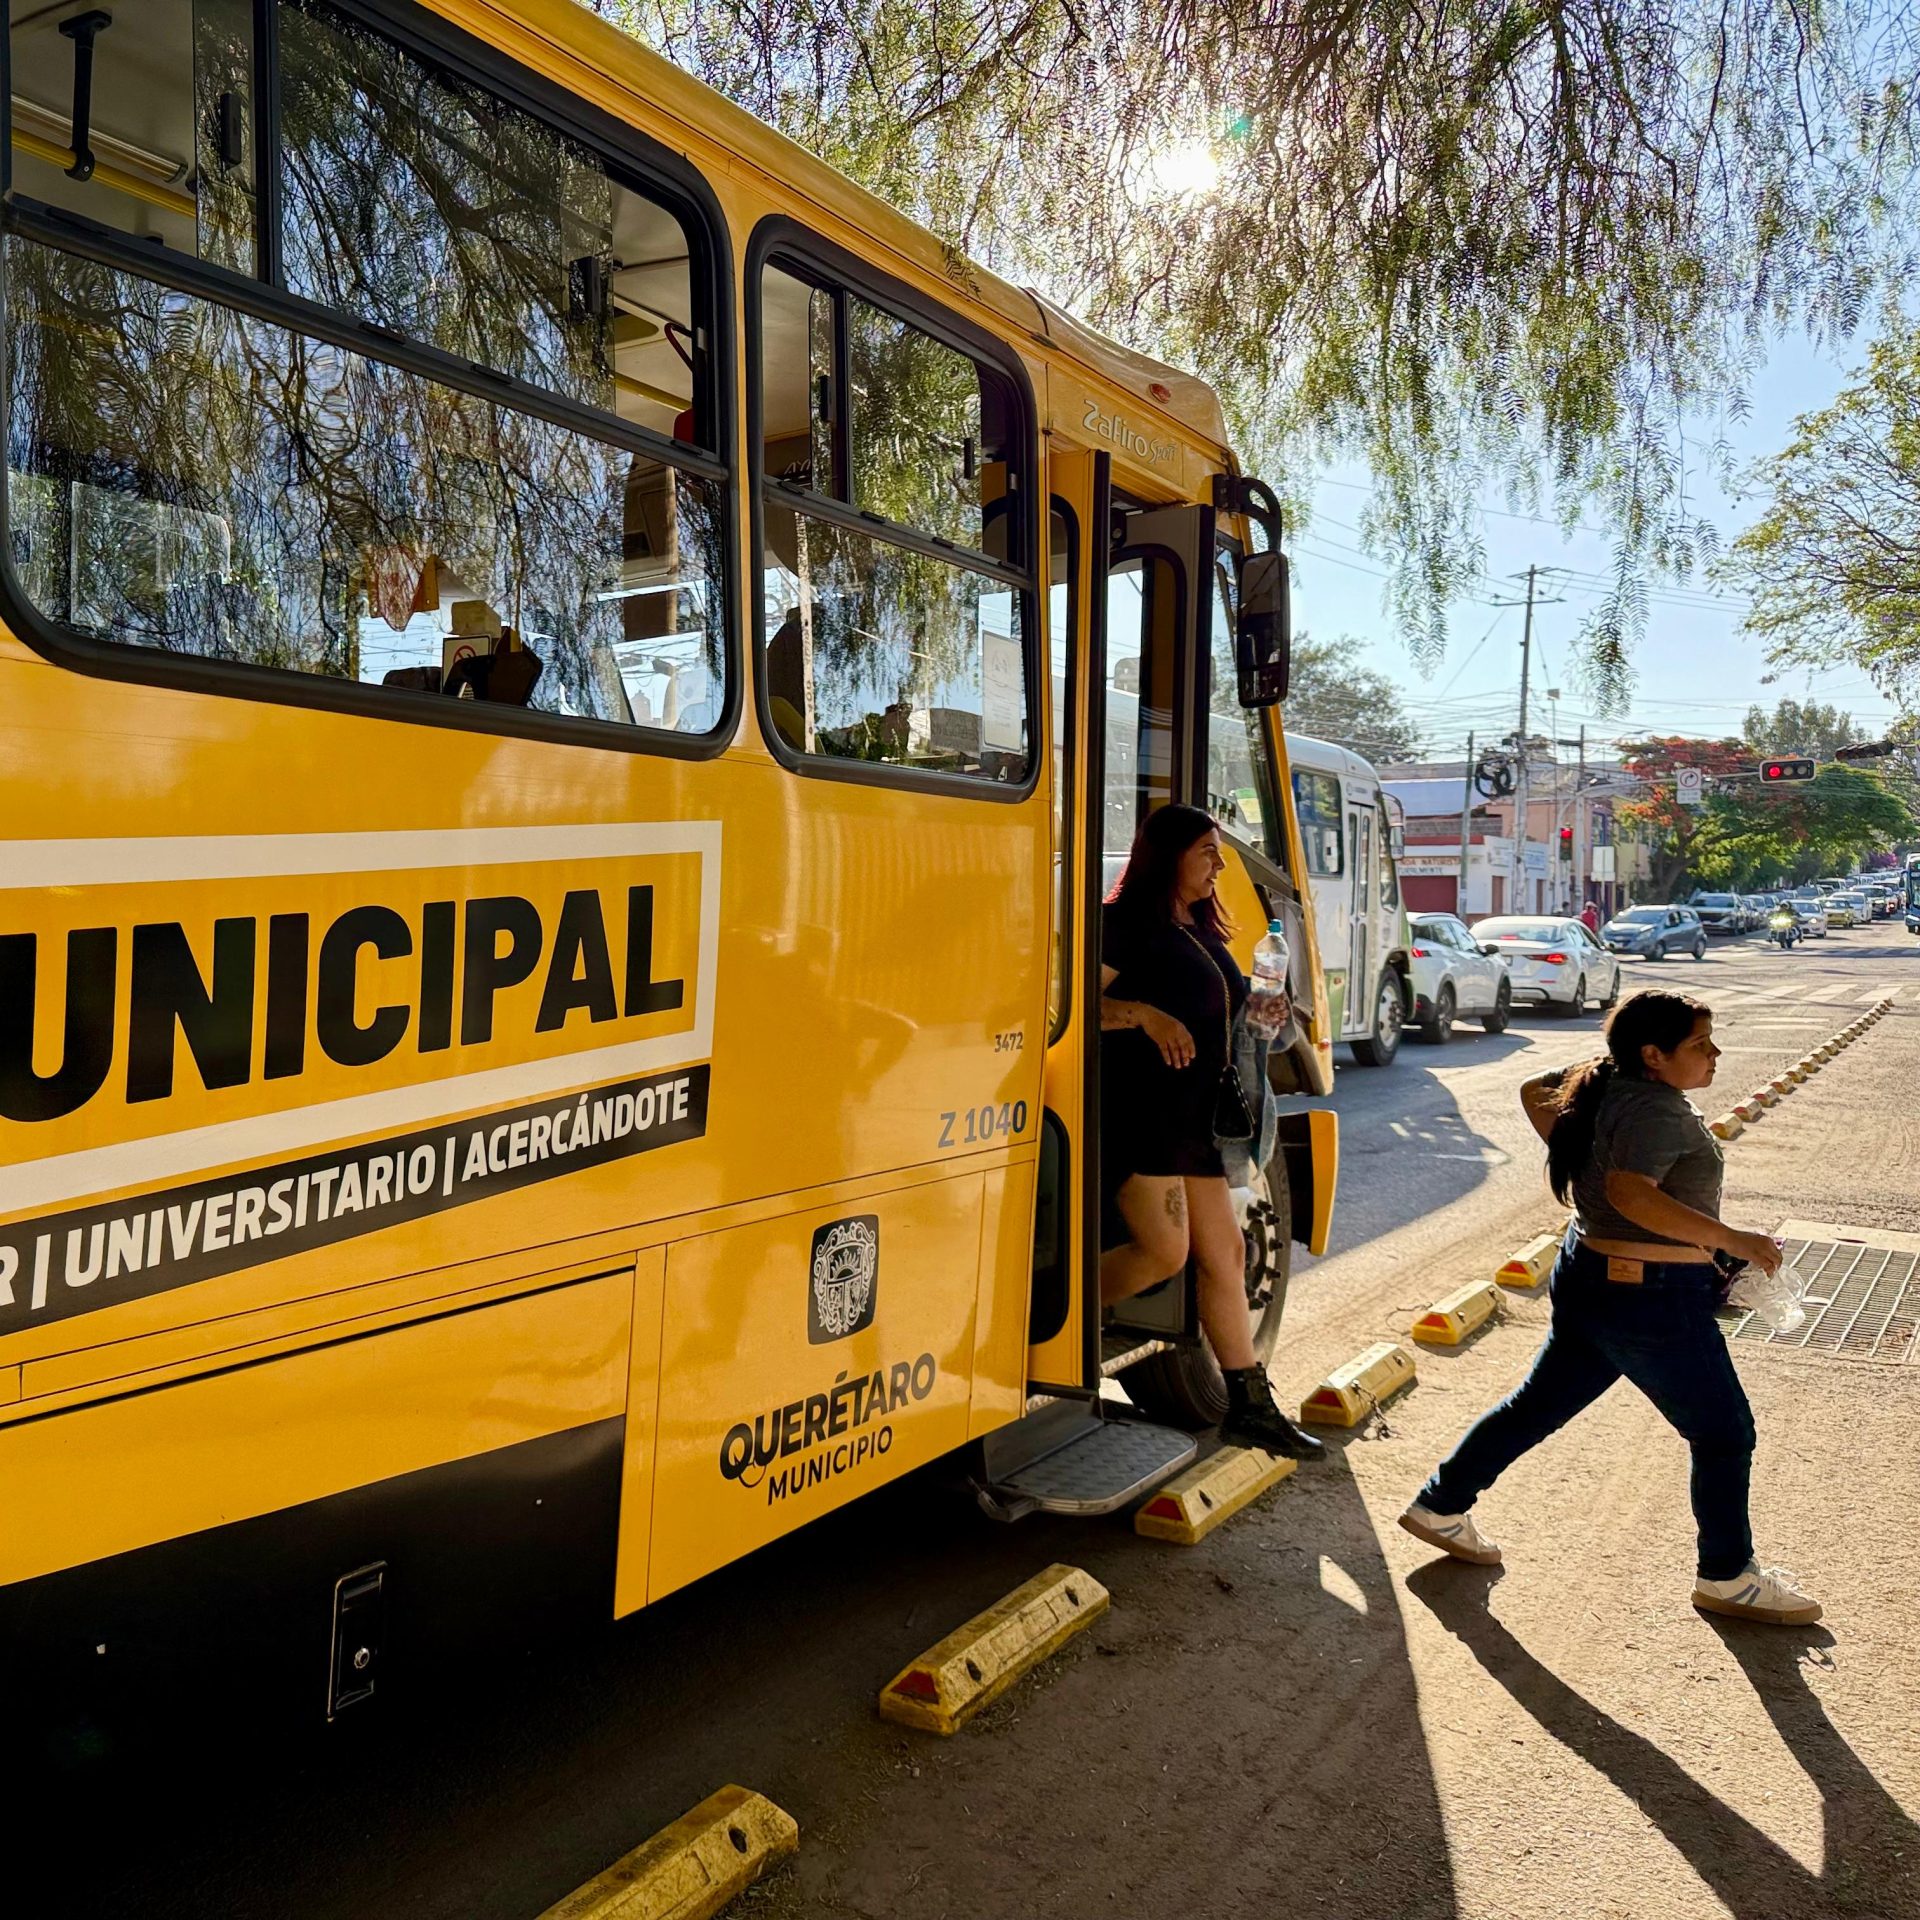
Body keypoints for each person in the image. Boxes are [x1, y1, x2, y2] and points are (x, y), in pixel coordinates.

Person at [1398, 989, 1821, 1624]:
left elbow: (1535, 1091)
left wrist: (1588, 1146)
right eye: (1699, 1045)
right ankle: (1728, 1577)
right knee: (1724, 1433)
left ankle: (1441, 1503)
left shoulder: (1608, 1089)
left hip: (1589, 1274)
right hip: (1651, 1301)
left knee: (1536, 1405)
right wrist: (1734, 1241)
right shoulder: (1657, 1113)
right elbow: (1629, 1192)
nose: (1715, 1054)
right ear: (1654, 1054)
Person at [1099, 803, 1322, 1461]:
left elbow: (1219, 1015)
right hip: (1145, 1116)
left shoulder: (1197, 927)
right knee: (1167, 1252)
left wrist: (1262, 1010)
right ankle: (1056, 1323)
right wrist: (1144, 1015)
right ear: (1168, 856)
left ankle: (1250, 1406)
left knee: (1224, 1256)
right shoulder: (1123, 926)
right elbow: (1073, 1003)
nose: (1220, 865)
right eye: (1208, 852)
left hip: (1197, 1122)